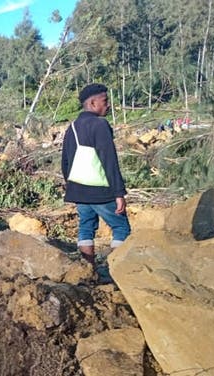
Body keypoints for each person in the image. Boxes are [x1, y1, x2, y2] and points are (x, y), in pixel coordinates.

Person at [61, 83, 131, 267]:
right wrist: (118, 193)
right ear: (92, 103)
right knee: (121, 227)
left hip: (78, 189)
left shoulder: (72, 127)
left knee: (86, 228)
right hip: (101, 190)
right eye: (105, 101)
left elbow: (65, 162)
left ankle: (88, 270)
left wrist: (73, 185)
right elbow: (109, 160)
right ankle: (115, 270)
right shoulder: (100, 125)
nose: (108, 105)